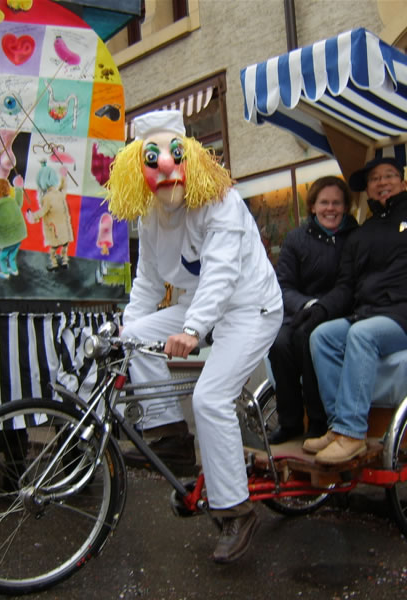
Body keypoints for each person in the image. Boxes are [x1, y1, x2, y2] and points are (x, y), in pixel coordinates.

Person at [105, 110, 283, 563]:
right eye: (152, 158)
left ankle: (235, 510)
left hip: (249, 307)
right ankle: (170, 434)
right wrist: (127, 329)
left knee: (210, 398)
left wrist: (191, 329)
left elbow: (222, 272)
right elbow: (147, 282)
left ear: (192, 156)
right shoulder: (151, 217)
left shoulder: (220, 200)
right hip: (198, 307)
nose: (166, 166)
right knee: (131, 338)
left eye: (174, 155)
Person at [296, 156, 407, 464]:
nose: (382, 182)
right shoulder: (361, 235)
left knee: (362, 334)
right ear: (368, 190)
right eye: (375, 179)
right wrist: (321, 310)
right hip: (374, 314)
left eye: (389, 176)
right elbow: (346, 287)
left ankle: (352, 433)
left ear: (403, 183)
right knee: (322, 336)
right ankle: (338, 427)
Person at [266, 176, 358, 444]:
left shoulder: (356, 237)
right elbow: (283, 285)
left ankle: (319, 420)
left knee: (306, 337)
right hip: (302, 310)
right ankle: (290, 422)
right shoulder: (296, 239)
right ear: (313, 206)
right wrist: (307, 305)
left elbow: (352, 284)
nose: (330, 208)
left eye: (336, 203)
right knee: (279, 342)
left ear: (346, 207)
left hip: (340, 311)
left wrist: (324, 308)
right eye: (324, 202)